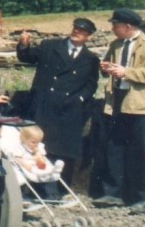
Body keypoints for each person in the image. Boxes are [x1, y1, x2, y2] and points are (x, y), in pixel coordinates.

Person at [95, 8, 145, 215]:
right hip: (117, 101)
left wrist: (127, 72)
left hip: (141, 105)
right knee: (114, 147)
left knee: (144, 152)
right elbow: (109, 66)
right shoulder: (115, 44)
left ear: (127, 26)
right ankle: (113, 193)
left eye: (115, 25)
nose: (112, 29)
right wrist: (105, 67)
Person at [15, 17, 99, 186]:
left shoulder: (91, 59)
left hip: (68, 109)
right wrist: (24, 44)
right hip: (45, 105)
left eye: (82, 31)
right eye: (75, 28)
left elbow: (91, 84)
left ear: (88, 36)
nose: (77, 32)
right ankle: (36, 187)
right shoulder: (50, 46)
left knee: (64, 150)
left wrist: (80, 99)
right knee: (40, 146)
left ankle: (60, 189)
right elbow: (27, 57)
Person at [0, 124, 64, 201]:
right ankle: (22, 195)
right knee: (22, 179)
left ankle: (54, 171)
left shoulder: (38, 147)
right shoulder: (19, 148)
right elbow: (19, 159)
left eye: (38, 142)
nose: (36, 144)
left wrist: (37, 153)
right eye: (33, 142)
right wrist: (28, 167)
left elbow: (42, 156)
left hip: (38, 165)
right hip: (27, 167)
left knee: (48, 171)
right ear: (24, 139)